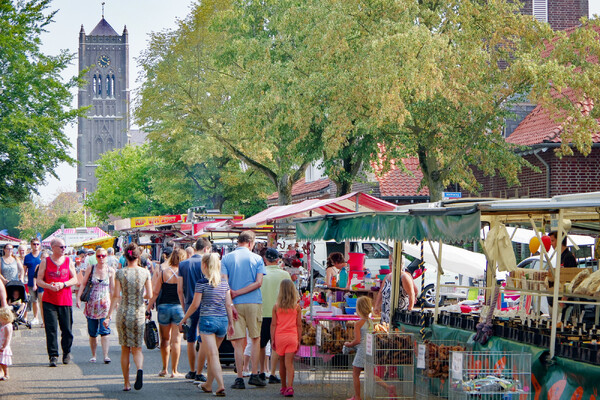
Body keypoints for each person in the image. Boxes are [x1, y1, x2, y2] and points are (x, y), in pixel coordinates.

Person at [179, 253, 235, 396]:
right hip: (222, 321)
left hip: (207, 321)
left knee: (213, 355)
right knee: (212, 354)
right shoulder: (224, 283)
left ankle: (221, 385)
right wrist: (231, 324)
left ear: (204, 266)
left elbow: (195, 305)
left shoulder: (202, 283)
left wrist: (184, 318)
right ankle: (208, 384)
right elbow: (228, 304)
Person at [221, 230, 267, 389]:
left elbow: (224, 285)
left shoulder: (226, 258)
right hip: (254, 302)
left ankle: (239, 377)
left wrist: (232, 299)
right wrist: (240, 291)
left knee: (238, 342)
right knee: (255, 339)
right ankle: (254, 374)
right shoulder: (257, 259)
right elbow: (259, 282)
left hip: (234, 304)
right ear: (250, 243)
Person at [104, 243, 152, 391]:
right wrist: (140, 295)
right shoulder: (145, 273)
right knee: (137, 348)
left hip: (123, 313)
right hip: (138, 313)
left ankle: (126, 383)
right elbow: (149, 295)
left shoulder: (120, 273)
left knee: (125, 349)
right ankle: (140, 369)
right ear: (138, 257)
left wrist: (108, 315)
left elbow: (116, 296)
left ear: (125, 256)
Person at [37, 238, 78, 367]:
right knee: (51, 329)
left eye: (64, 247)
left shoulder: (68, 260)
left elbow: (75, 279)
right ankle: (53, 355)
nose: (63, 249)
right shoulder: (45, 261)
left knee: (66, 328)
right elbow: (39, 280)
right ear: (53, 247)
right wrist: (49, 286)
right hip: (49, 300)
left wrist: (63, 284)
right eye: (61, 247)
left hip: (65, 300)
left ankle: (66, 351)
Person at [177, 237, 212, 382]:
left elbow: (179, 289)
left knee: (190, 339)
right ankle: (199, 371)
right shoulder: (207, 263)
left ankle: (191, 370)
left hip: (189, 303)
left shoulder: (183, 264)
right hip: (205, 305)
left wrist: (184, 306)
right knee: (203, 338)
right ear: (205, 249)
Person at [147, 248, 185, 378]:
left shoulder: (164, 273)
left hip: (163, 307)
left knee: (164, 340)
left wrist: (149, 306)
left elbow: (156, 292)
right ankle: (175, 371)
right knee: (176, 341)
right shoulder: (183, 274)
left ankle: (164, 369)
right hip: (179, 308)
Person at [76, 247, 115, 364]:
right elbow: (83, 284)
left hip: (105, 305)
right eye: (99, 256)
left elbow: (113, 289)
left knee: (105, 330)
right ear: (96, 257)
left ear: (106, 257)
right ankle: (94, 355)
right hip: (91, 304)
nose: (101, 258)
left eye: (103, 256)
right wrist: (78, 298)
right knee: (92, 332)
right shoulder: (91, 268)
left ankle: (106, 355)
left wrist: (115, 303)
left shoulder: (111, 270)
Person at [259, 248, 291, 384]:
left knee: (261, 343)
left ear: (265, 259)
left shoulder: (260, 274)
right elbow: (291, 294)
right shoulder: (285, 275)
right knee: (276, 344)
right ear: (278, 260)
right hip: (281, 313)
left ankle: (261, 371)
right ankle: (272, 373)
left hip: (262, 312)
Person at [270, 279, 301, 397]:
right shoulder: (297, 307)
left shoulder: (276, 307)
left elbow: (273, 324)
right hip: (292, 336)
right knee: (290, 363)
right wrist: (298, 339)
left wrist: (273, 339)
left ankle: (283, 386)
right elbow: (299, 325)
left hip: (280, 336)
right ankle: (290, 386)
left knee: (282, 362)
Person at [344, 296, 373, 400]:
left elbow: (357, 340)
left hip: (362, 350)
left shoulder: (358, 324)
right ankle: (389, 387)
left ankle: (357, 396)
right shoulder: (371, 322)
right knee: (370, 374)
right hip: (370, 348)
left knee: (355, 373)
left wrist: (348, 344)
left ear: (359, 308)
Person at [23, 238, 42, 324]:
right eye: (34, 244)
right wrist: (22, 279)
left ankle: (44, 320)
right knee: (34, 300)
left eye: (37, 244)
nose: (36, 246)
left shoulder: (43, 256)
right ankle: (36, 317)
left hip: (42, 282)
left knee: (43, 301)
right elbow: (24, 270)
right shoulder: (27, 257)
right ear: (31, 245)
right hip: (31, 282)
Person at [0, 307, 14, 380]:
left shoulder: (7, 327)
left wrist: (3, 346)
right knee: (1, 361)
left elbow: (7, 337)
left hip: (4, 346)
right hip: (2, 345)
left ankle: (6, 374)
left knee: (3, 362)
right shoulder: (5, 325)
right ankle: (2, 373)